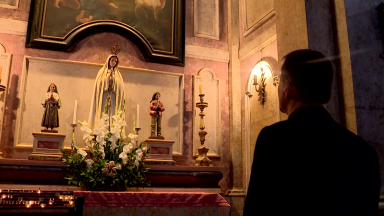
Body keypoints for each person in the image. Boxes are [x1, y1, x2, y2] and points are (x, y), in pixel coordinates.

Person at [243, 49, 380, 215]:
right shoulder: (363, 150)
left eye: (279, 82)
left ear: (288, 87)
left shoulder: (273, 139)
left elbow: (256, 209)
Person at [88, 54, 125, 130]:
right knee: (103, 114)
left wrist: (114, 80)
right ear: (108, 61)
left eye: (115, 61)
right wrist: (108, 78)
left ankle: (113, 131)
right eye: (112, 60)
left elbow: (120, 87)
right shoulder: (102, 72)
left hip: (114, 99)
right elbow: (99, 84)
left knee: (113, 116)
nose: (114, 62)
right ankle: (101, 131)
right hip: (104, 97)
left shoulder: (118, 74)